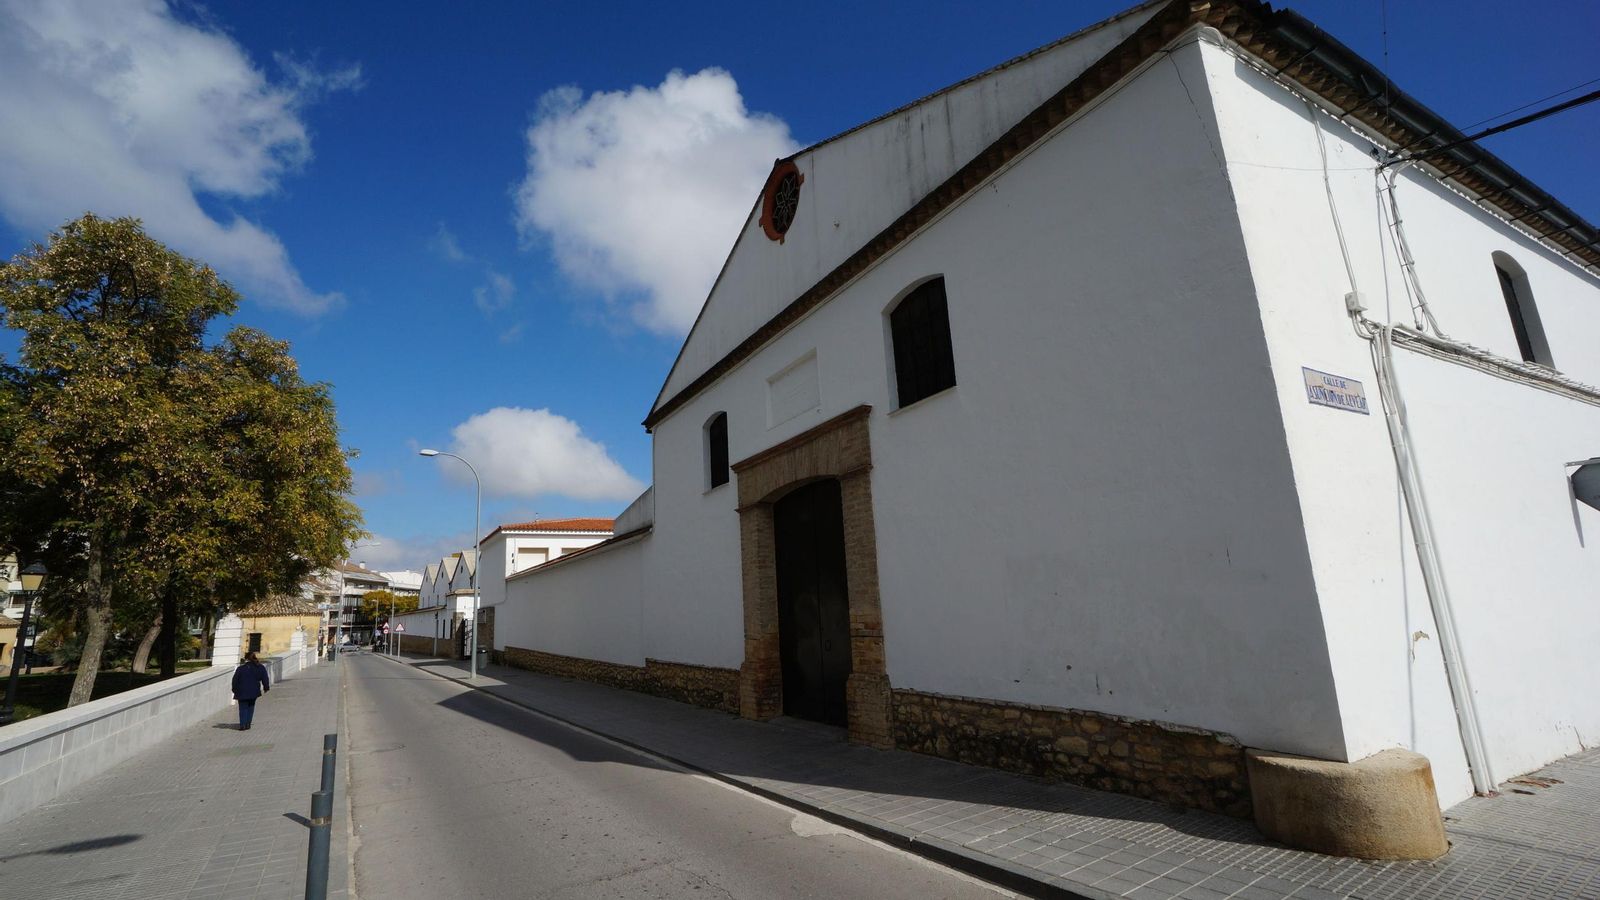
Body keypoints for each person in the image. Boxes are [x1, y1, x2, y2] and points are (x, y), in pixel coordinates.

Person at [231, 651, 271, 731]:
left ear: (246, 659)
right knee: (251, 707)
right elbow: (265, 678)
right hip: (254, 691)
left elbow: (234, 680)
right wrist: (266, 688)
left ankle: (242, 725)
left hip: (241, 691)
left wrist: (234, 690)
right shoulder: (260, 667)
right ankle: (248, 724)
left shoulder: (240, 669)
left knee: (243, 708)